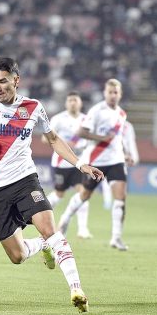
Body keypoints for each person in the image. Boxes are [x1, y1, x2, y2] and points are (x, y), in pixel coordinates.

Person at [0, 57, 103, 313]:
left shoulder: (33, 107)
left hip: (25, 181)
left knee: (51, 230)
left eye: (3, 81)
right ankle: (41, 245)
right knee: (17, 256)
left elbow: (53, 139)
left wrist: (80, 164)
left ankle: (77, 289)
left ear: (16, 80)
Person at [57, 79, 132, 251]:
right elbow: (81, 132)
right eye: (110, 92)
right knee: (84, 195)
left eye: (116, 92)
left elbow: (118, 138)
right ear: (105, 93)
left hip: (116, 160)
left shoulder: (122, 114)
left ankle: (116, 238)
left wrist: (126, 153)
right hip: (97, 160)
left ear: (120, 94)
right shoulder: (97, 111)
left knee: (121, 198)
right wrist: (101, 138)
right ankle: (65, 219)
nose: (113, 95)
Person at [43, 91, 93, 239]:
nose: (72, 103)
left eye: (75, 100)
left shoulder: (86, 120)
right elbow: (46, 139)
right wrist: (64, 144)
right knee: (59, 193)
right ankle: (39, 214)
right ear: (66, 103)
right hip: (61, 162)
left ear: (80, 103)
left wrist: (83, 145)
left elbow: (91, 139)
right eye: (70, 100)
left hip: (79, 163)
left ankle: (82, 229)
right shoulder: (58, 119)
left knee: (83, 192)